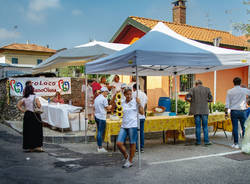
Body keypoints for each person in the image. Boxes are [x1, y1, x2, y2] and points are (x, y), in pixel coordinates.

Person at [116, 88, 144, 168]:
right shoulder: (122, 102)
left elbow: (142, 112)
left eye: (130, 94)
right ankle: (126, 156)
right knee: (119, 143)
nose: (129, 96)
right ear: (124, 95)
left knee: (132, 143)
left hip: (133, 125)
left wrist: (139, 104)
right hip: (124, 125)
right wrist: (115, 95)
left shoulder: (135, 101)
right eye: (127, 94)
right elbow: (113, 106)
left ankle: (130, 161)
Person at [17, 85, 44, 152]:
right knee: (37, 131)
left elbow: (18, 105)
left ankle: (30, 147)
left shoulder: (24, 98)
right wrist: (39, 104)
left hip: (28, 115)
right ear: (32, 90)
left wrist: (24, 110)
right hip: (35, 115)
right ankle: (38, 147)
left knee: (28, 131)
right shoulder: (35, 96)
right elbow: (39, 105)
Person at [225, 77, 250, 149]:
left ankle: (236, 143)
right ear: (240, 82)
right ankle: (246, 143)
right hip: (243, 111)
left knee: (235, 128)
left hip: (234, 111)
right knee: (244, 127)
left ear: (233, 83)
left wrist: (226, 112)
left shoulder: (230, 91)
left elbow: (227, 103)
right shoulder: (244, 90)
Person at [186, 80, 213, 146]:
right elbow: (211, 99)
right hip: (204, 110)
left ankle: (198, 142)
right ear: (201, 83)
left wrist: (190, 100)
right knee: (205, 127)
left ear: (196, 84)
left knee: (198, 127)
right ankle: (206, 141)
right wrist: (206, 100)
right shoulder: (207, 89)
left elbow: (188, 97)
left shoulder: (192, 89)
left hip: (196, 111)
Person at [94, 87, 112, 153]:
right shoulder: (104, 99)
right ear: (104, 92)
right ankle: (100, 147)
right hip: (101, 117)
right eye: (107, 92)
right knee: (100, 132)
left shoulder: (96, 98)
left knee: (99, 131)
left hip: (96, 116)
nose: (107, 93)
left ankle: (99, 146)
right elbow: (107, 108)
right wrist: (110, 106)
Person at [132, 84, 148, 153]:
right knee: (141, 132)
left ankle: (136, 148)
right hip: (142, 116)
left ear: (134, 88)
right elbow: (146, 104)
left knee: (135, 132)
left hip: (135, 116)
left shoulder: (133, 94)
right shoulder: (144, 94)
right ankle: (141, 147)